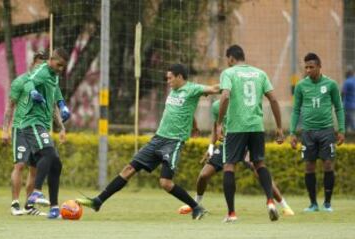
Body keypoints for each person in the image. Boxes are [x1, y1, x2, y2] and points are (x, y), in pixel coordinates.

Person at [76, 63, 219, 220]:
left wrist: (231, 81)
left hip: (174, 142)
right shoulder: (173, 91)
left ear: (179, 77)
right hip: (158, 138)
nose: (168, 81)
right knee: (129, 168)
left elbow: (214, 89)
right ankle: (98, 201)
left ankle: (196, 207)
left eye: (170, 78)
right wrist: (195, 124)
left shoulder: (193, 89)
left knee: (165, 183)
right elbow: (182, 110)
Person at [178, 100, 294, 219]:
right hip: (227, 145)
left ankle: (285, 206)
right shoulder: (217, 106)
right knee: (203, 175)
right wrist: (211, 147)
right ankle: (196, 204)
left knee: (259, 171)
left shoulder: (242, 102)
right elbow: (216, 126)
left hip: (243, 143)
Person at [216, 44, 284, 222]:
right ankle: (270, 201)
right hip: (256, 126)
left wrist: (219, 123)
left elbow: (224, 96)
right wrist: (279, 127)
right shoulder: (260, 73)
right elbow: (274, 99)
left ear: (230, 58)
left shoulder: (228, 73)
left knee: (229, 166)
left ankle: (231, 213)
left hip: (237, 127)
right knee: (259, 164)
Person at [2, 51, 67, 216]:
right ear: (34, 64)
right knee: (21, 164)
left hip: (41, 126)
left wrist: (62, 121)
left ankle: (44, 206)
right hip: (24, 125)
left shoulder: (52, 76)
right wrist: (5, 130)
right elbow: (11, 105)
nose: (41, 67)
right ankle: (19, 201)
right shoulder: (24, 80)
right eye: (39, 63)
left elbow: (54, 100)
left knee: (47, 165)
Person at [290, 53, 345, 212]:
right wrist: (292, 132)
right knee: (309, 166)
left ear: (319, 67)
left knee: (328, 164)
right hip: (307, 132)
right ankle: (313, 204)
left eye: (311, 67)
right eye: (306, 67)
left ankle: (327, 203)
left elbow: (339, 108)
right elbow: (295, 110)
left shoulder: (331, 84)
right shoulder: (301, 86)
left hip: (327, 131)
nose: (308, 70)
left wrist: (340, 129)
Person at [19, 48, 70, 218]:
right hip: (32, 122)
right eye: (59, 65)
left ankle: (54, 208)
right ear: (51, 59)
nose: (61, 69)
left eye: (63, 66)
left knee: (56, 163)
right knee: (48, 153)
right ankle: (36, 192)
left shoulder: (54, 75)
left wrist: (63, 105)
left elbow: (56, 91)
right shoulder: (41, 70)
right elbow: (28, 82)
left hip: (42, 124)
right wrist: (33, 91)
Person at [342, 66, 355, 132]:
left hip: (348, 105)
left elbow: (343, 92)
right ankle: (346, 135)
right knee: (346, 122)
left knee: (351, 121)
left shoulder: (347, 82)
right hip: (353, 104)